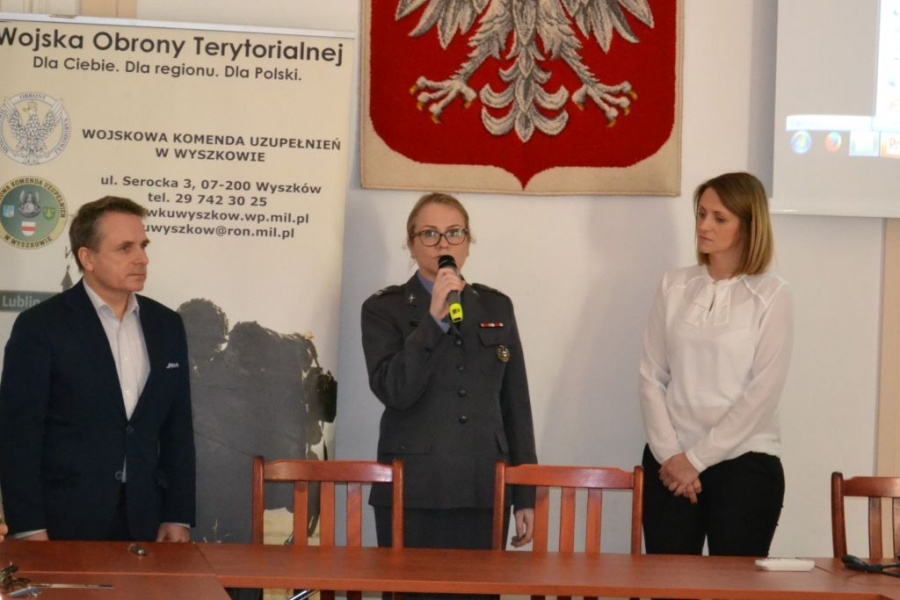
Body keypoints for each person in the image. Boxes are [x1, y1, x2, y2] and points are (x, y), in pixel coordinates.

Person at [0, 196, 195, 542]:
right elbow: (18, 436)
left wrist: (177, 514)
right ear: (87, 258)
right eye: (125, 248)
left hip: (145, 518)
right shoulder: (41, 326)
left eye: (143, 245)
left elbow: (177, 429)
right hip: (63, 521)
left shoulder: (167, 324)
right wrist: (29, 527)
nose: (142, 258)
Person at [361, 192, 538, 561]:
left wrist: (525, 493)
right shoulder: (384, 309)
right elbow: (394, 390)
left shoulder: (496, 306)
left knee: (477, 588)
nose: (443, 244)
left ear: (468, 243)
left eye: (454, 232)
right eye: (429, 234)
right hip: (412, 489)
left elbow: (515, 404)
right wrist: (433, 322)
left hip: (483, 488)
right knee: (408, 588)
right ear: (410, 245)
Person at [639, 172, 793, 558]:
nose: (704, 226)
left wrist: (696, 460)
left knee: (735, 586)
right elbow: (651, 376)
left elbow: (763, 393)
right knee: (668, 585)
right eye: (701, 214)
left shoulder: (771, 294)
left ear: (748, 227)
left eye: (719, 218)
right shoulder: (673, 285)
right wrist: (672, 456)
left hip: (745, 463)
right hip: (669, 461)